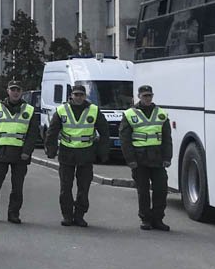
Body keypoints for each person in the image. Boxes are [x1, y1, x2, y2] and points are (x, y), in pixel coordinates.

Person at [44, 83, 110, 227]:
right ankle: (67, 215)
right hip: (67, 154)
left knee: (84, 188)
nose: (79, 97)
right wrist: (51, 150)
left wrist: (103, 153)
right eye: (76, 95)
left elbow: (105, 132)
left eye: (81, 95)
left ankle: (79, 215)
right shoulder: (61, 110)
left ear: (85, 96)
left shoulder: (94, 110)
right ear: (71, 96)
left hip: (86, 154)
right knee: (65, 188)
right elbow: (52, 132)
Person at [0, 82, 42, 224]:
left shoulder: (30, 110)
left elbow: (32, 134)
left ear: (22, 92)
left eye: (18, 90)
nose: (15, 92)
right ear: (8, 91)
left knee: (17, 187)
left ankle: (13, 214)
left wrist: (27, 151)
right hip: (1, 153)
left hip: (21, 154)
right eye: (13, 90)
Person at [120, 84, 173, 231]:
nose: (147, 98)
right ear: (139, 97)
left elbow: (167, 138)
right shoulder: (130, 114)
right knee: (143, 191)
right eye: (145, 96)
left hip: (157, 159)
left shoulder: (161, 114)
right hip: (139, 159)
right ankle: (145, 219)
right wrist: (130, 160)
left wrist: (167, 157)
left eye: (149, 96)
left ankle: (158, 219)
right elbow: (125, 139)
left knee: (161, 190)